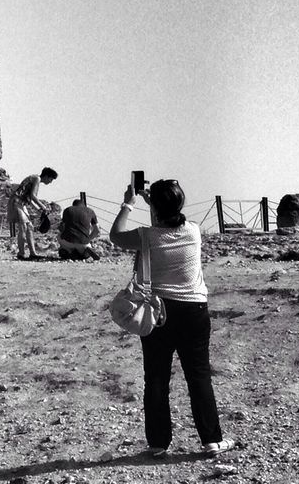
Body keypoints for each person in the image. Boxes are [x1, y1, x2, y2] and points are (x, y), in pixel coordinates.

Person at [110, 179, 234, 458]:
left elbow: (116, 235)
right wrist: (154, 201)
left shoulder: (147, 236)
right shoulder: (193, 231)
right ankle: (212, 440)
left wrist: (130, 202)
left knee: (155, 378)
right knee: (199, 376)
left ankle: (157, 443)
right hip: (194, 311)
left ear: (155, 208)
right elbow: (167, 219)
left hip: (158, 311)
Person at [10, 166, 57, 259]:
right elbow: (33, 196)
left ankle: (33, 253)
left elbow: (29, 198)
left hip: (21, 203)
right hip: (16, 202)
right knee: (23, 227)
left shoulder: (34, 179)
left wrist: (38, 209)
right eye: (51, 179)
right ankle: (21, 253)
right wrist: (43, 207)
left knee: (30, 227)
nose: (50, 182)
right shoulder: (37, 179)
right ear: (47, 176)